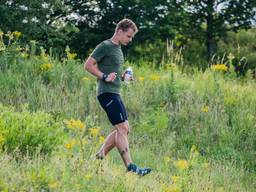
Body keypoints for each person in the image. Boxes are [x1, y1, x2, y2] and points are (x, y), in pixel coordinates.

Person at [84, 18, 151, 176]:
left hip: (115, 92)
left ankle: (98, 157)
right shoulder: (105, 46)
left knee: (124, 128)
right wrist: (103, 76)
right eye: (129, 36)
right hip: (106, 93)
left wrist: (123, 76)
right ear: (119, 31)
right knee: (122, 128)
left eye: (132, 37)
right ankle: (131, 167)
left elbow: (113, 72)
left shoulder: (118, 49)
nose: (130, 39)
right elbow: (88, 65)